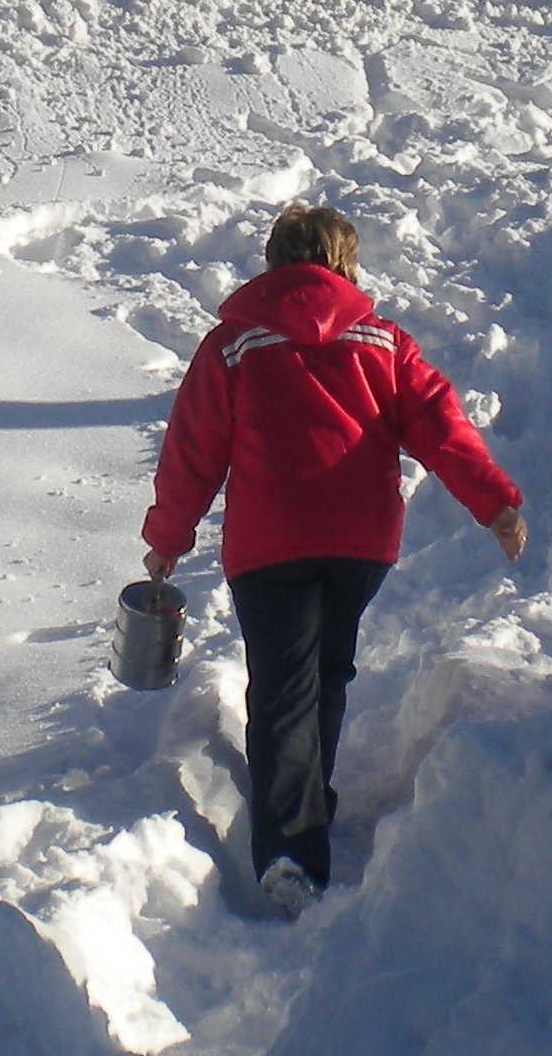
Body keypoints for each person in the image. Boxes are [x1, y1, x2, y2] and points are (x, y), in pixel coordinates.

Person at [141, 202, 524, 914]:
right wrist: (494, 502)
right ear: (345, 263)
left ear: (274, 260)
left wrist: (168, 538)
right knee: (324, 673)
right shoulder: (384, 343)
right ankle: (307, 800)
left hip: (271, 540)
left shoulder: (233, 345)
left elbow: (192, 452)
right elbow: (442, 426)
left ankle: (290, 850)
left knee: (284, 687)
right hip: (359, 540)